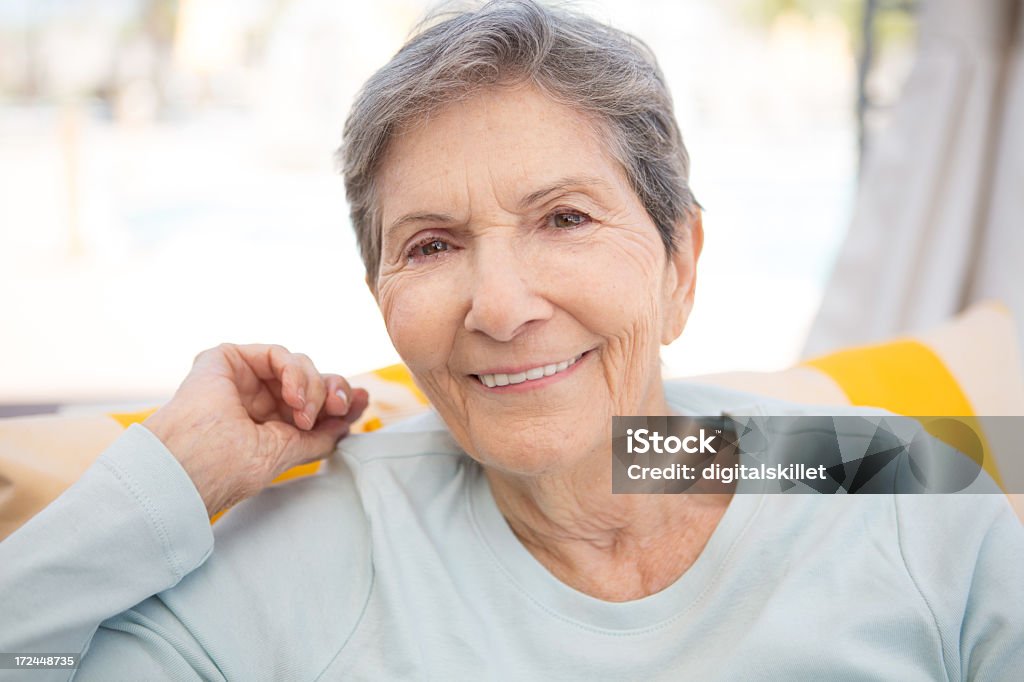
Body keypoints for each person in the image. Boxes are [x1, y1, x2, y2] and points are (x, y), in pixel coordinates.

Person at [2, 1, 1022, 679]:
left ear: (680, 263)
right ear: (380, 297)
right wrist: (169, 476)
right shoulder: (317, 546)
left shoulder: (868, 468)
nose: (498, 304)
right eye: (432, 244)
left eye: (564, 218)